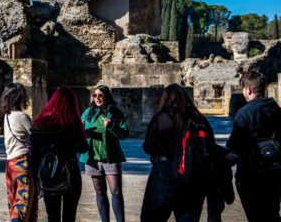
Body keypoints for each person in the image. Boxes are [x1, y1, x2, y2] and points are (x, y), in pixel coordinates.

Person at [140, 83, 215, 222]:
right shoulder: (199, 119)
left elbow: (148, 147)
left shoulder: (162, 118)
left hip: (164, 172)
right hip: (192, 175)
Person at [226, 70, 281, 222]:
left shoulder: (244, 113)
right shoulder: (276, 109)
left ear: (248, 90)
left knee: (256, 215)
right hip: (275, 171)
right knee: (273, 213)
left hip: (251, 174)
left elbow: (234, 147)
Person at [31, 86, 88, 222]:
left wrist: (36, 180)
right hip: (71, 174)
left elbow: (35, 156)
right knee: (69, 216)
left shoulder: (39, 125)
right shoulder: (72, 123)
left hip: (48, 176)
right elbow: (83, 148)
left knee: (52, 216)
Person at [80, 85, 129, 222]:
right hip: (92, 159)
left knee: (116, 191)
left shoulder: (115, 113)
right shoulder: (87, 113)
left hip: (111, 158)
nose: (97, 98)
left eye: (100, 95)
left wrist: (112, 125)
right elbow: (79, 134)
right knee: (100, 192)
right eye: (95, 96)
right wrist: (82, 131)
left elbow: (125, 134)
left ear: (106, 96)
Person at [0, 82, 37, 221]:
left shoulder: (7, 116)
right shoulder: (21, 116)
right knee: (24, 201)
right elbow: (36, 135)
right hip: (22, 163)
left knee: (13, 200)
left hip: (10, 163)